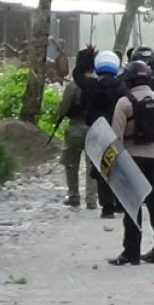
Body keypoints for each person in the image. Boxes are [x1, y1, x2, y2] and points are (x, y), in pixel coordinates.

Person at [107, 61, 154, 266]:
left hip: (130, 160)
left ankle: (131, 252)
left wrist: (115, 166)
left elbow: (115, 138)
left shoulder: (124, 103)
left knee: (132, 207)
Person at [74, 49, 127, 218]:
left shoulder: (90, 85)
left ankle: (107, 208)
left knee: (102, 169)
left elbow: (76, 74)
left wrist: (87, 58)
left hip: (97, 132)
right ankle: (120, 203)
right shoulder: (122, 86)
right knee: (118, 168)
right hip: (117, 132)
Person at [57, 73, 97, 209]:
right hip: (94, 128)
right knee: (92, 165)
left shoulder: (73, 85)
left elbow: (62, 109)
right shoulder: (98, 83)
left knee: (71, 163)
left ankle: (73, 195)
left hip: (75, 127)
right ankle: (91, 199)